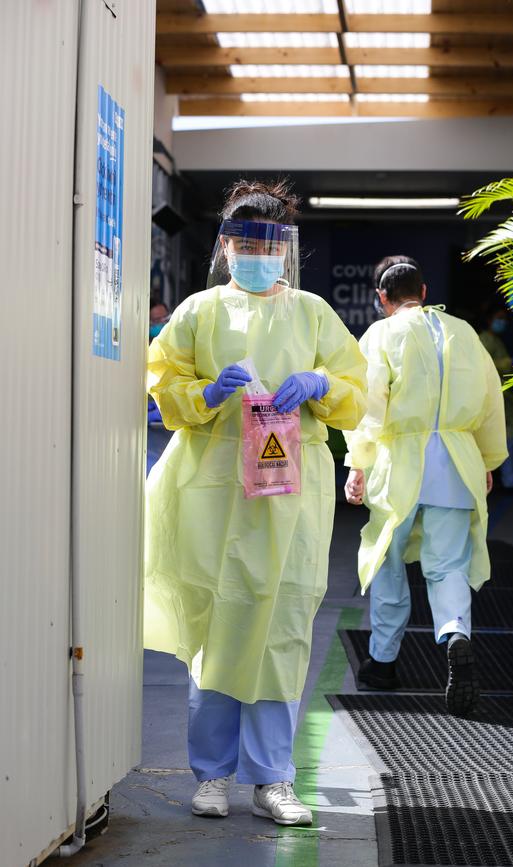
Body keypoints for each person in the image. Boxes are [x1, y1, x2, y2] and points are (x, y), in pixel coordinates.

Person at [144, 180, 367, 826]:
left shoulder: (312, 313)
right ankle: (211, 773)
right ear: (227, 245)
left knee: (282, 628)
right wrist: (208, 393)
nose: (255, 254)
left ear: (284, 247)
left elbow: (354, 389)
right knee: (219, 626)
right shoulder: (200, 312)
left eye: (267, 243)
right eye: (244, 242)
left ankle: (273, 777)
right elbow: (164, 380)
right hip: (215, 492)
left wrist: (322, 381)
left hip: (290, 498)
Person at [344, 256, 507, 715]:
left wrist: (357, 463)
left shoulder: (381, 335)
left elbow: (369, 405)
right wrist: (487, 459)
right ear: (425, 289)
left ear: (382, 298)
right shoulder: (464, 334)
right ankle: (455, 633)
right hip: (458, 463)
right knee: (448, 564)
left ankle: (382, 663)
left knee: (388, 562)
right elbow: (491, 400)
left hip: (400, 466)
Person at [479, 302, 513, 489]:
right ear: (489, 319)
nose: (502, 322)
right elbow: (483, 364)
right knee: (506, 441)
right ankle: (508, 479)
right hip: (493, 397)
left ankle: (509, 479)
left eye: (504, 319)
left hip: (504, 397)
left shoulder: (496, 340)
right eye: (499, 318)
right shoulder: (485, 340)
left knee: (510, 441)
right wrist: (508, 362)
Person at [147, 297, 172, 474]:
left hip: (168, 427)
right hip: (149, 433)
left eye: (165, 319)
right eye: (156, 321)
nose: (162, 324)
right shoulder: (141, 350)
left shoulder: (176, 348)